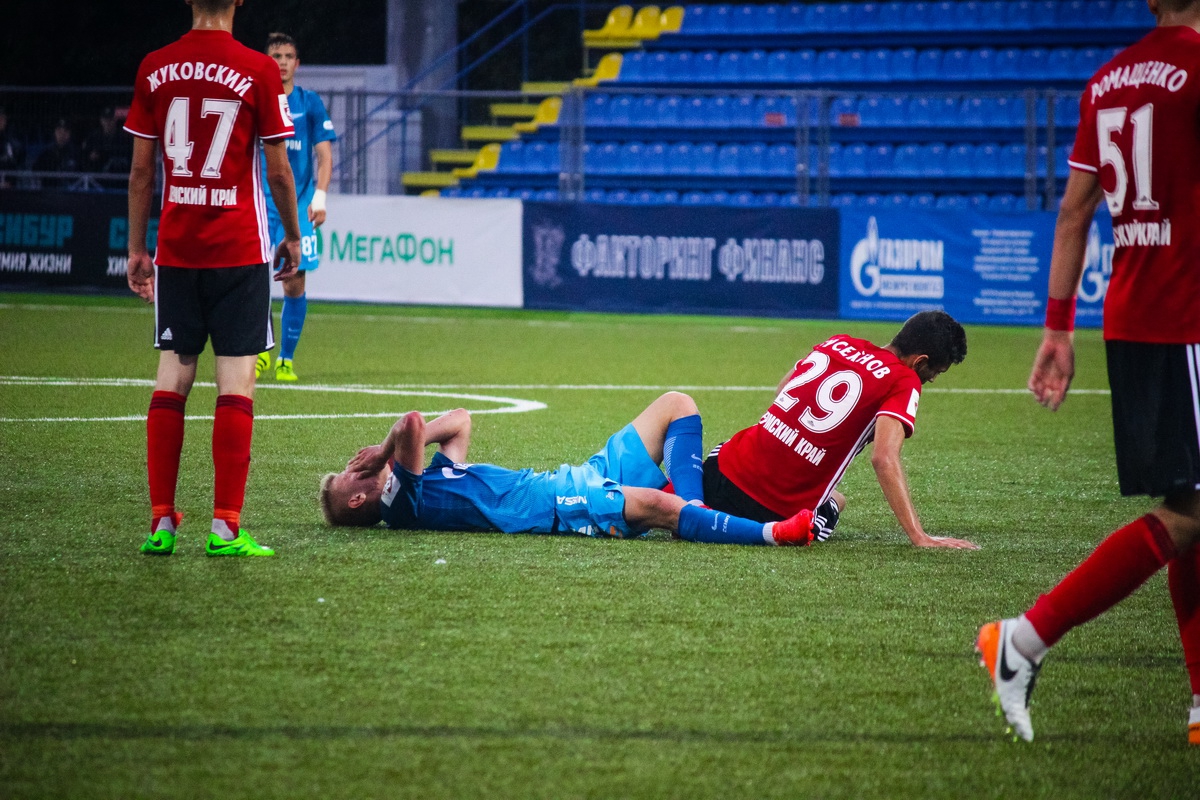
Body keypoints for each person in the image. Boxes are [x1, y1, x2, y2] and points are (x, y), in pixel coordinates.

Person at [976, 0, 1200, 745]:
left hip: (1133, 316)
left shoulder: (1105, 81)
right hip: (1187, 315)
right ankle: (1024, 639)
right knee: (1191, 511)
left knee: (1189, 502)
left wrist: (1057, 328)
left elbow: (1073, 214)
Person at [123, 0, 302, 557]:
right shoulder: (258, 68)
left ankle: (161, 522)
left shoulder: (155, 66)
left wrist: (136, 248)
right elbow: (277, 170)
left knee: (171, 381)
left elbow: (141, 171)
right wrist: (294, 236)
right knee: (236, 385)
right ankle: (225, 527)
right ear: (238, 2)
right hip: (240, 250)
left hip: (178, 252)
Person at [319, 392, 816, 547]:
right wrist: (383, 453)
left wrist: (395, 453)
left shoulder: (429, 483)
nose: (355, 463)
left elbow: (460, 421)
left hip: (571, 477)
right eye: (349, 472)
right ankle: (773, 533)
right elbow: (411, 423)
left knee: (676, 405)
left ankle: (698, 508)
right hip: (555, 505)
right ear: (359, 498)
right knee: (660, 506)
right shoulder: (401, 505)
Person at [698, 310, 977, 551]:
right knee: (837, 501)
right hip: (771, 513)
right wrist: (919, 536)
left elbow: (783, 390)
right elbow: (884, 458)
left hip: (716, 476)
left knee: (735, 446)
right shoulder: (903, 379)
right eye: (935, 372)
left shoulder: (838, 342)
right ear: (919, 361)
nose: (932, 379)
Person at [254, 32, 336, 383]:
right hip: (259, 203)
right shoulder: (256, 100)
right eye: (276, 56)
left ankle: (285, 359)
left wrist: (320, 196)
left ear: (297, 63)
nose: (282, 62)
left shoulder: (309, 102)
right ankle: (260, 349)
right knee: (253, 280)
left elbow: (325, 155)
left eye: (288, 56)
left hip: (299, 205)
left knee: (293, 283)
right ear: (267, 61)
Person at [81, 106, 132, 173]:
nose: (108, 122)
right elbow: (85, 158)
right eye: (105, 119)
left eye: (110, 119)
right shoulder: (94, 137)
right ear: (101, 120)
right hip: (99, 174)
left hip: (120, 174)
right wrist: (92, 157)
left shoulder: (124, 137)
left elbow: (129, 157)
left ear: (115, 120)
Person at [32, 119, 78, 188]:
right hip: (49, 190)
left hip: (71, 191)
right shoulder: (46, 152)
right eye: (59, 131)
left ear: (69, 134)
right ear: (55, 132)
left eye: (65, 131)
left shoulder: (76, 153)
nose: (62, 135)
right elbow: (35, 171)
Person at [0, 106, 27, 188]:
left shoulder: (12, 143)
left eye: (3, 119)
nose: (1, 121)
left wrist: (10, 182)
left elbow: (18, 165)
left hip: (8, 189)